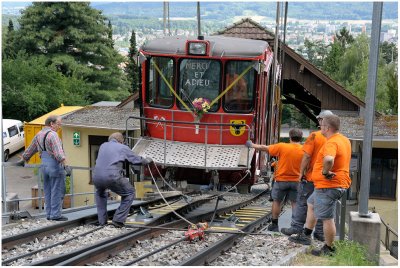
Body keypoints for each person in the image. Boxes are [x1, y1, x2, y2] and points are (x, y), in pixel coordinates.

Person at [289, 114, 351, 256]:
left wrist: (325, 171)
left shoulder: (331, 142)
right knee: (311, 203)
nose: (320, 128)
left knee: (327, 218)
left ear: (327, 128)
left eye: (321, 126)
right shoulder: (344, 139)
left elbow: (329, 159)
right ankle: (306, 235)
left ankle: (329, 249)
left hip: (328, 186)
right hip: (330, 185)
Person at [281, 110, 334, 241]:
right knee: (322, 205)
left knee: (303, 203)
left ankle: (297, 227)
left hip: (312, 177)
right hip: (327, 180)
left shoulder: (314, 136)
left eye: (319, 120)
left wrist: (300, 174)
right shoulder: (335, 138)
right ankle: (320, 233)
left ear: (322, 121)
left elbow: (306, 156)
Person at [246, 128, 304, 232]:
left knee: (277, 201)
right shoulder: (304, 149)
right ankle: (295, 226)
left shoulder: (282, 146)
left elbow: (264, 148)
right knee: (295, 203)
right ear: (301, 137)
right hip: (297, 181)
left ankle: (274, 225)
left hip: (281, 180)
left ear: (290, 137)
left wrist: (252, 145)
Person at [93, 132, 153, 228]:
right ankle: (118, 220)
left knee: (100, 194)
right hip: (112, 176)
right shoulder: (122, 147)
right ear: (121, 141)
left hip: (97, 177)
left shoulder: (103, 146)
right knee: (130, 192)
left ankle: (102, 221)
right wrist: (147, 160)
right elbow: (136, 160)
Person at [19, 115, 71, 221]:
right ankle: (56, 215)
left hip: (44, 166)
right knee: (58, 190)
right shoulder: (53, 135)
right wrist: (66, 165)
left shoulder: (39, 134)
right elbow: (59, 153)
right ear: (51, 124)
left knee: (47, 190)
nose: (59, 127)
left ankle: (49, 214)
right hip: (54, 166)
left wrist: (23, 160)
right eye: (58, 124)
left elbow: (30, 149)